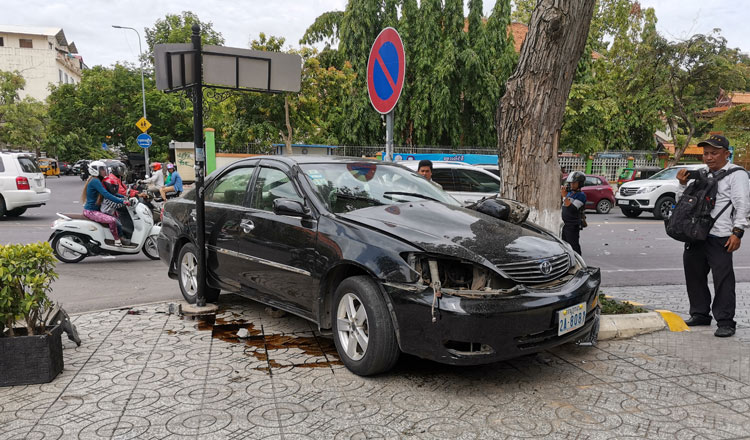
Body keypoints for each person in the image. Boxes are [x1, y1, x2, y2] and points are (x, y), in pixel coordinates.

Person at [676, 135, 749, 337]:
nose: (709, 157)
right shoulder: (701, 174)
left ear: (727, 154)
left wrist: (738, 232)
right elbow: (685, 202)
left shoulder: (737, 175)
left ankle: (725, 321)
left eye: (714, 153)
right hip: (696, 234)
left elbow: (742, 204)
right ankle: (700, 313)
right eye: (706, 153)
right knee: (694, 275)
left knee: (723, 279)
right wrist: (682, 185)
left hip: (721, 236)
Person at [81, 160, 129, 247]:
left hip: (96, 210)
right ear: (95, 170)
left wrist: (125, 197)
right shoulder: (95, 181)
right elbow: (106, 195)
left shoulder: (97, 180)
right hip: (91, 211)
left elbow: (110, 193)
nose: (104, 171)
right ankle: (117, 240)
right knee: (112, 220)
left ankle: (121, 237)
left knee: (117, 219)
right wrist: (122, 201)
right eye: (102, 169)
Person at [561, 171, 586, 255]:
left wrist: (564, 196)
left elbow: (572, 209)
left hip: (572, 225)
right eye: (571, 183)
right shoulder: (569, 193)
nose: (572, 185)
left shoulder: (581, 195)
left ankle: (579, 263)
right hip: (564, 224)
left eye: (574, 183)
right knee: (564, 246)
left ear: (580, 183)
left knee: (573, 246)